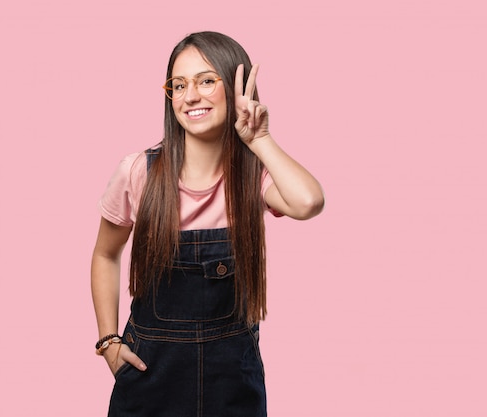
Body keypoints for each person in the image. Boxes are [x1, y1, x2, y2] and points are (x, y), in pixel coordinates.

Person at [91, 31, 324, 417]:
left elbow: (309, 201)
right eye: (179, 85)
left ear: (237, 88)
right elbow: (105, 253)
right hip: (150, 376)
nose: (190, 96)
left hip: (232, 379)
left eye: (206, 80)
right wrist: (108, 342)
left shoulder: (254, 177)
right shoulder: (138, 172)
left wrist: (260, 139)